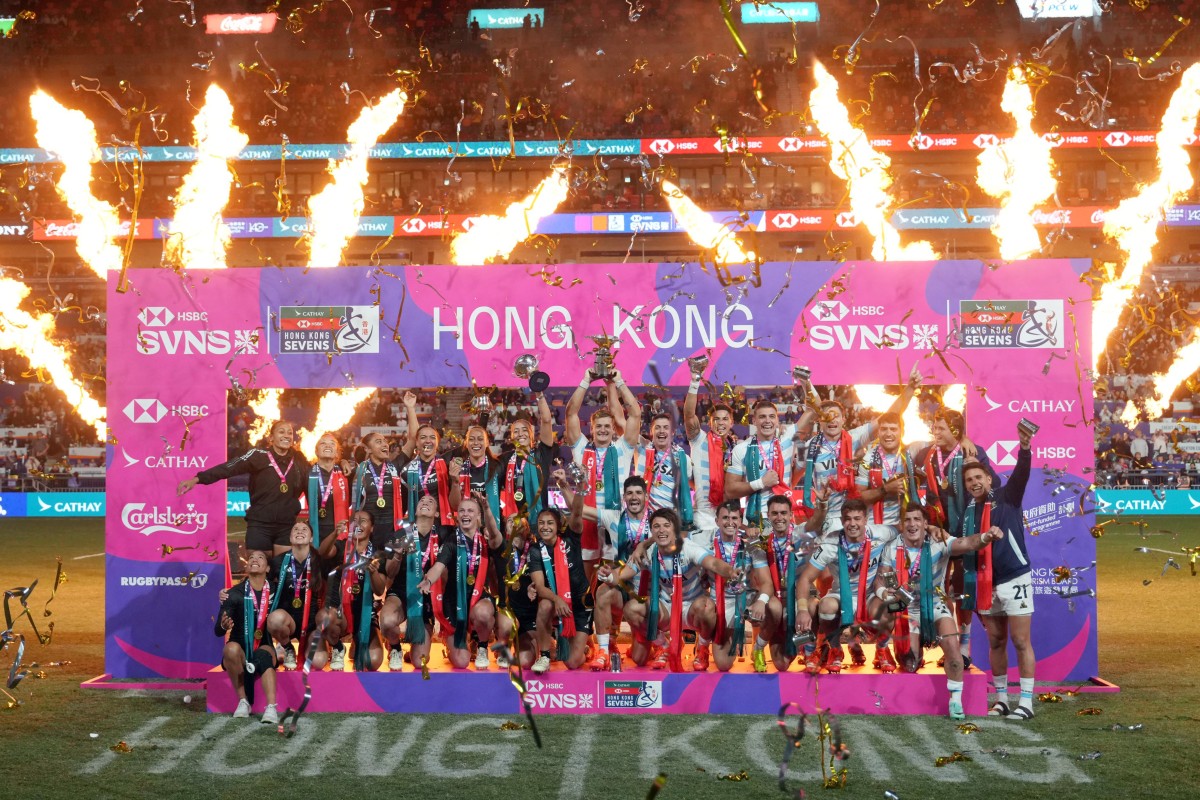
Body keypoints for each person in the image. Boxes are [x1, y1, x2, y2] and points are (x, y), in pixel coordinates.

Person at [875, 503, 1004, 719]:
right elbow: (881, 578)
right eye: (907, 520)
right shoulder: (892, 547)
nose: (912, 524)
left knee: (953, 651)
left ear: (926, 524)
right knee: (909, 664)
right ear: (901, 524)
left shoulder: (939, 541)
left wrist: (986, 537)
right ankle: (916, 647)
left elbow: (966, 543)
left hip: (935, 603)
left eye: (917, 519)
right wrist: (885, 594)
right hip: (908, 609)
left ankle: (955, 701)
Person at [601, 509, 741, 671]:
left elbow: (713, 563)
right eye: (656, 526)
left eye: (666, 526)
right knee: (632, 609)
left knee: (707, 607)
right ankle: (664, 645)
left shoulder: (688, 548)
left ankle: (702, 648)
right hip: (667, 609)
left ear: (675, 529)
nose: (661, 530)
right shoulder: (649, 552)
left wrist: (731, 572)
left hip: (692, 609)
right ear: (651, 531)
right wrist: (608, 575)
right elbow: (623, 573)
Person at [963, 422, 1036, 720]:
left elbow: (1022, 473)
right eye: (969, 480)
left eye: (978, 477)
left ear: (989, 478)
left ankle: (1026, 702)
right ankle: (1002, 699)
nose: (974, 483)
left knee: (1020, 640)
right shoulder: (969, 512)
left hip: (1014, 577)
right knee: (996, 641)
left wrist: (1025, 448)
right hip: (986, 583)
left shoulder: (1008, 496)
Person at [798, 367, 921, 533]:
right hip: (825, 517)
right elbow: (794, 477)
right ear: (820, 420)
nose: (832, 421)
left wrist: (910, 388)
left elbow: (889, 415)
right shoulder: (808, 448)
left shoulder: (854, 437)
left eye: (836, 416)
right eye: (826, 417)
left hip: (853, 516)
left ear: (843, 419)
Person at [916, 408, 993, 663]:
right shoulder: (926, 454)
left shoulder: (973, 452)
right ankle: (946, 645)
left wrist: (966, 442)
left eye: (941, 428)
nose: (935, 432)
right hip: (936, 531)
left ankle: (964, 646)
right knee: (936, 587)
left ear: (956, 431)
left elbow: (992, 485)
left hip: (965, 530)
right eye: (934, 428)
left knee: (962, 585)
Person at [796, 498, 900, 675]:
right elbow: (805, 578)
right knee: (826, 607)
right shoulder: (830, 543)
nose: (852, 523)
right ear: (842, 520)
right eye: (847, 519)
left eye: (857, 518)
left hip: (870, 594)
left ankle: (882, 649)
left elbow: (903, 527)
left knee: (891, 606)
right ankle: (835, 649)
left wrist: (932, 528)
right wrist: (802, 610)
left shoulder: (881, 533)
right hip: (841, 595)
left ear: (866, 519)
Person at [561, 475, 651, 670]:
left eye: (638, 493)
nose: (634, 497)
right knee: (602, 591)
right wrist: (563, 485)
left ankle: (657, 643)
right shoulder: (614, 517)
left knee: (640, 659)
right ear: (624, 498)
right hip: (623, 588)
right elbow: (578, 509)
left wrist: (645, 544)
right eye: (629, 493)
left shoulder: (657, 522)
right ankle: (603, 651)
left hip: (648, 594)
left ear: (646, 496)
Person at [180, 420, 308, 556]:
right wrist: (198, 479)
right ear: (271, 438)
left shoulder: (299, 459)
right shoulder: (258, 455)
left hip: (287, 525)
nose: (287, 436)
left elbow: (310, 484)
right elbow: (230, 467)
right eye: (281, 432)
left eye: (290, 433)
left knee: (283, 566)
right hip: (260, 525)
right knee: (258, 564)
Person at [565, 365, 641, 569]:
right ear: (591, 429)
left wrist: (619, 382)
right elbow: (570, 414)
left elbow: (635, 415)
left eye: (607, 426)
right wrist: (586, 381)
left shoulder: (622, 448)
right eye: (598, 426)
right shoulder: (581, 448)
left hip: (615, 519)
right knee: (588, 579)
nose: (603, 430)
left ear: (613, 429)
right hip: (587, 519)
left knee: (613, 577)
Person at [380, 493, 459, 670]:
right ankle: (395, 648)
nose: (425, 502)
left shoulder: (445, 533)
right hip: (402, 593)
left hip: (428, 599)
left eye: (431, 501)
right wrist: (397, 555)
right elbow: (390, 573)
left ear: (437, 513)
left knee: (420, 661)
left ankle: (416, 647)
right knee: (387, 622)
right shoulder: (399, 534)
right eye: (422, 501)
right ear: (415, 511)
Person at [751, 493, 826, 673]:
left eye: (783, 513)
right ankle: (758, 648)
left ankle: (809, 652)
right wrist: (761, 600)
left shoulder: (801, 534)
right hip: (776, 598)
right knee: (781, 665)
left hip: (799, 598)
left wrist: (822, 504)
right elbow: (765, 582)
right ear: (768, 516)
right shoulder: (761, 543)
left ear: (791, 514)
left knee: (813, 605)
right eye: (774, 513)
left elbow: (815, 522)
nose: (779, 517)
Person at [724, 394, 815, 527]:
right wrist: (761, 482)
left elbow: (814, 409)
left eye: (772, 416)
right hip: (755, 520)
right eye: (762, 417)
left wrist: (805, 383)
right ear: (754, 421)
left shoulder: (788, 440)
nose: (767, 421)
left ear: (777, 420)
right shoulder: (741, 449)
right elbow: (730, 490)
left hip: (784, 517)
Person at [315, 510, 386, 672]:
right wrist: (335, 534)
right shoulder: (341, 546)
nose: (358, 523)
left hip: (365, 614)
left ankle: (357, 641)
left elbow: (379, 589)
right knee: (323, 617)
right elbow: (322, 553)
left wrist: (373, 573)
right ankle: (338, 647)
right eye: (355, 520)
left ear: (372, 528)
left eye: (363, 520)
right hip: (340, 613)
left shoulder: (377, 554)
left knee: (372, 662)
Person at [215, 549, 280, 723]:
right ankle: (243, 702)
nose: (254, 559)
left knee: (263, 655)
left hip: (265, 644)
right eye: (251, 557)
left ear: (267, 568)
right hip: (240, 647)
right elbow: (218, 631)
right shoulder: (234, 593)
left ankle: (271, 707)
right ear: (247, 566)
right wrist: (223, 625)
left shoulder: (276, 590)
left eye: (260, 557)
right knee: (230, 649)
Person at [707, 500, 772, 673]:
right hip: (720, 601)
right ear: (716, 521)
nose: (730, 522)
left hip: (746, 599)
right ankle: (705, 643)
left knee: (773, 608)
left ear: (740, 521)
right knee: (723, 665)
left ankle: (758, 649)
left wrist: (761, 601)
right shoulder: (706, 543)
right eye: (725, 518)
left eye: (734, 518)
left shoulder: (751, 545)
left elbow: (766, 582)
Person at [529, 505, 592, 673]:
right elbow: (539, 587)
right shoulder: (535, 550)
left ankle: (585, 650)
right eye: (541, 523)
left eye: (550, 523)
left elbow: (577, 513)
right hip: (557, 604)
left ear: (558, 526)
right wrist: (557, 599)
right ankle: (544, 656)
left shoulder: (571, 539)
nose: (545, 527)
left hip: (580, 605)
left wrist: (579, 493)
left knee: (572, 662)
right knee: (544, 605)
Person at [447, 493, 506, 670]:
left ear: (479, 517)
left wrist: (487, 508)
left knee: (483, 614)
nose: (466, 514)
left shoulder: (486, 541)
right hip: (455, 602)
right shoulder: (449, 540)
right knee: (461, 662)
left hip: (479, 598)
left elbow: (495, 534)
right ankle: (457, 640)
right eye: (462, 511)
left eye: (471, 511)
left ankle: (482, 646)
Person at [683, 360, 738, 534]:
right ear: (709, 422)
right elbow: (689, 415)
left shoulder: (737, 449)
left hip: (729, 513)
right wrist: (695, 381)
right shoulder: (699, 439)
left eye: (725, 419)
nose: (721, 423)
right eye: (716, 419)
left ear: (731, 423)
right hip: (703, 515)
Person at [266, 520, 325, 671]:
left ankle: (324, 646)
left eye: (304, 529)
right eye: (295, 529)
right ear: (290, 538)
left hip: (311, 622)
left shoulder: (319, 561)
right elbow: (262, 584)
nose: (299, 531)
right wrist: (231, 592)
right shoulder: (278, 561)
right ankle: (287, 647)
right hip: (288, 620)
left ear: (311, 538)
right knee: (274, 620)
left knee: (317, 662)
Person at [633, 412, 694, 527]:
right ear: (651, 431)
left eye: (666, 427)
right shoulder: (642, 450)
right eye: (657, 427)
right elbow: (625, 425)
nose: (661, 431)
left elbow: (689, 486)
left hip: (669, 521)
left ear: (672, 432)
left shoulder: (683, 459)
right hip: (642, 519)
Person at [306, 432, 351, 552]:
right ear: (316, 451)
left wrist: (343, 461)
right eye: (323, 443)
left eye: (332, 443)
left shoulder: (346, 472)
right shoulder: (307, 473)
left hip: (341, 529)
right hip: (316, 530)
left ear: (337, 452)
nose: (327, 446)